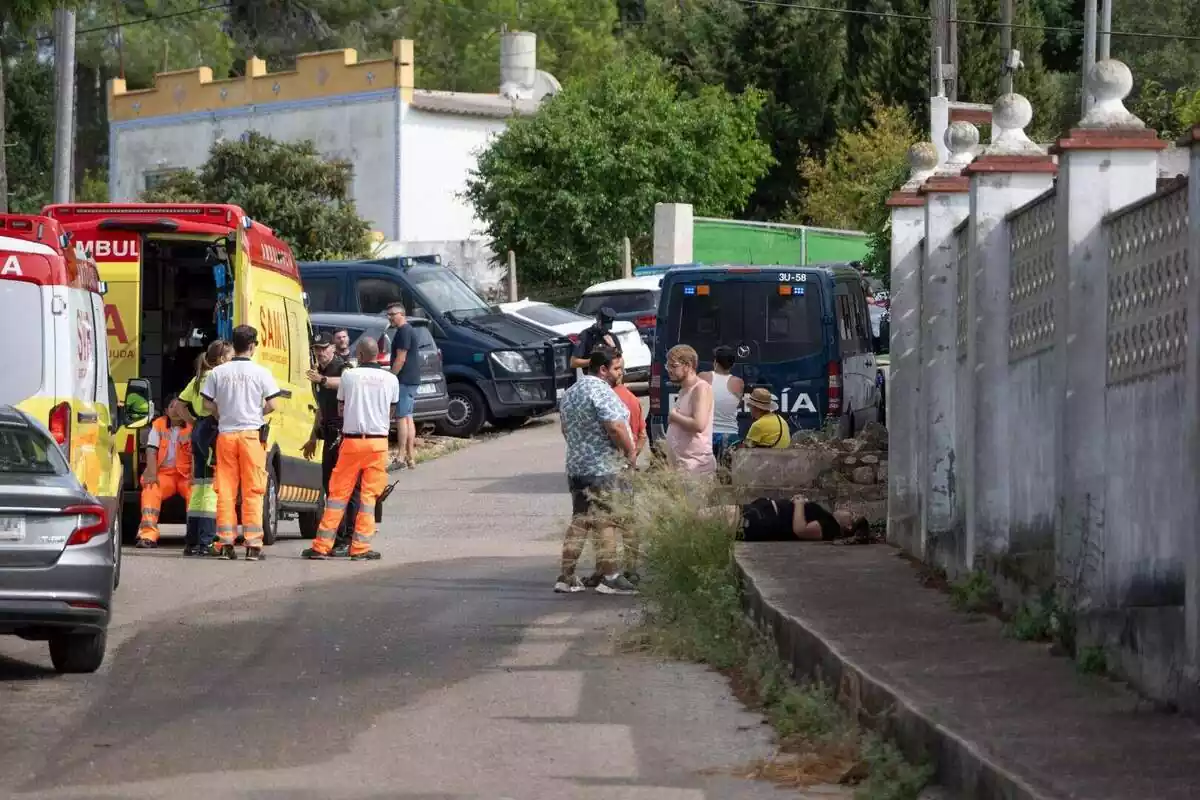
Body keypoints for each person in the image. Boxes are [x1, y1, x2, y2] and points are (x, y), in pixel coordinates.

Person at [302, 337, 398, 561]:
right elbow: (391, 412)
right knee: (368, 497)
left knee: (337, 495)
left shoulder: (349, 376)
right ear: (377, 354)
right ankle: (360, 548)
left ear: (361, 356)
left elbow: (340, 408)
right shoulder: (391, 379)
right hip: (378, 443)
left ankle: (321, 546)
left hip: (352, 441)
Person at [556, 346, 638, 596]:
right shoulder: (601, 390)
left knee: (580, 521)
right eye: (617, 368)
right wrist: (629, 452)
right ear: (603, 369)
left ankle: (566, 577)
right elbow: (614, 426)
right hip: (603, 468)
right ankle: (610, 577)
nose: (620, 373)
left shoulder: (571, 392)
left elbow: (565, 429)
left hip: (577, 466)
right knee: (606, 520)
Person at [201, 325, 282, 561]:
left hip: (226, 435)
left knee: (225, 490)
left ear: (233, 345)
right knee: (253, 490)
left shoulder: (218, 373)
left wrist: (221, 414)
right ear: (253, 346)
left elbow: (206, 404)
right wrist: (256, 413)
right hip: (250, 436)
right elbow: (273, 404)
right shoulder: (261, 373)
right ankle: (253, 545)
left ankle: (226, 543)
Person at [303, 331, 360, 557]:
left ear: (333, 348)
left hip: (344, 435)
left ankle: (348, 536)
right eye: (317, 349)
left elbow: (346, 382)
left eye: (324, 348)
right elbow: (321, 409)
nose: (320, 353)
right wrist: (313, 436)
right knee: (330, 488)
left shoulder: (341, 367)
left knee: (346, 488)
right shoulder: (320, 372)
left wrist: (324, 381)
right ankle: (338, 536)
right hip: (328, 435)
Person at [177, 339, 232, 557]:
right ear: (220, 359)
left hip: (200, 428)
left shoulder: (199, 378)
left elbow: (180, 405)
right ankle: (206, 541)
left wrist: (193, 422)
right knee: (210, 487)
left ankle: (192, 542)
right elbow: (218, 406)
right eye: (229, 356)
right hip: (211, 428)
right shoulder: (217, 378)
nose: (231, 360)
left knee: (199, 488)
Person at [134, 397, 193, 548]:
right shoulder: (159, 424)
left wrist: (195, 475)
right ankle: (148, 535)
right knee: (150, 489)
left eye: (179, 406)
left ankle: (195, 537)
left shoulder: (192, 426)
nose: (175, 409)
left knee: (196, 494)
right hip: (164, 474)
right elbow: (151, 450)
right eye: (172, 406)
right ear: (166, 411)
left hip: (186, 475)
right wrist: (152, 474)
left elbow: (197, 454)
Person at [664, 344, 716, 476]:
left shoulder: (700, 388)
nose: (669, 370)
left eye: (674, 366)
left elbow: (699, 424)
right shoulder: (683, 390)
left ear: (688, 365)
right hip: (682, 466)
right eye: (668, 366)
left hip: (696, 467)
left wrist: (674, 417)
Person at [386, 302, 421, 470]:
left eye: (392, 314)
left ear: (402, 314)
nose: (390, 317)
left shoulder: (404, 332)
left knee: (401, 418)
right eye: (389, 314)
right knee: (408, 417)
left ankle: (400, 456)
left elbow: (401, 358)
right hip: (411, 379)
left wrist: (391, 377)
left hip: (404, 380)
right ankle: (410, 457)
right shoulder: (407, 331)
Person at [700, 345, 744, 464]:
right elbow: (737, 404)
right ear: (732, 364)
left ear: (715, 362)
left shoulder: (704, 377)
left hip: (708, 435)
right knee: (728, 475)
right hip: (731, 436)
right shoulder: (738, 383)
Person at [570, 307, 622, 377]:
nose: (607, 329)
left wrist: (613, 347)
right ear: (599, 321)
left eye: (608, 326)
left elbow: (620, 361)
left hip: (610, 378)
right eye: (604, 326)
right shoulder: (586, 335)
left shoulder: (611, 336)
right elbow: (573, 362)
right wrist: (595, 361)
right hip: (593, 378)